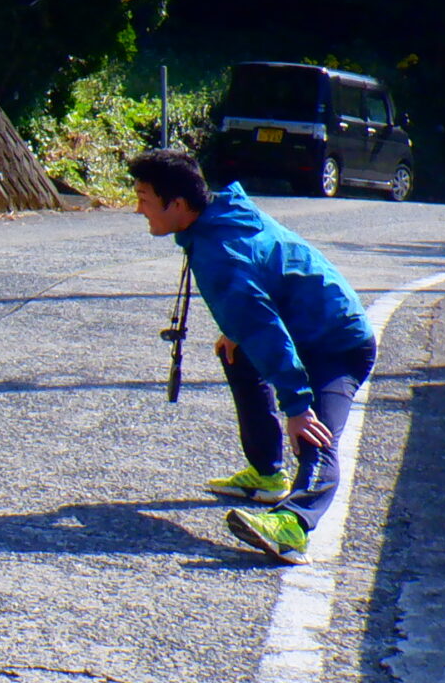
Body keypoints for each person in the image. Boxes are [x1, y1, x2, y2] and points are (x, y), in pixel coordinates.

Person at [129, 148, 378, 565]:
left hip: (338, 344)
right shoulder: (222, 212)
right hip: (308, 328)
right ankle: (266, 472)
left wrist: (297, 406)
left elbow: (265, 330)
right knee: (237, 351)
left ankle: (294, 526)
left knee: (313, 435)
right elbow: (264, 281)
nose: (138, 209)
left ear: (177, 204)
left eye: (144, 199)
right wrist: (235, 329)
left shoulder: (219, 254)